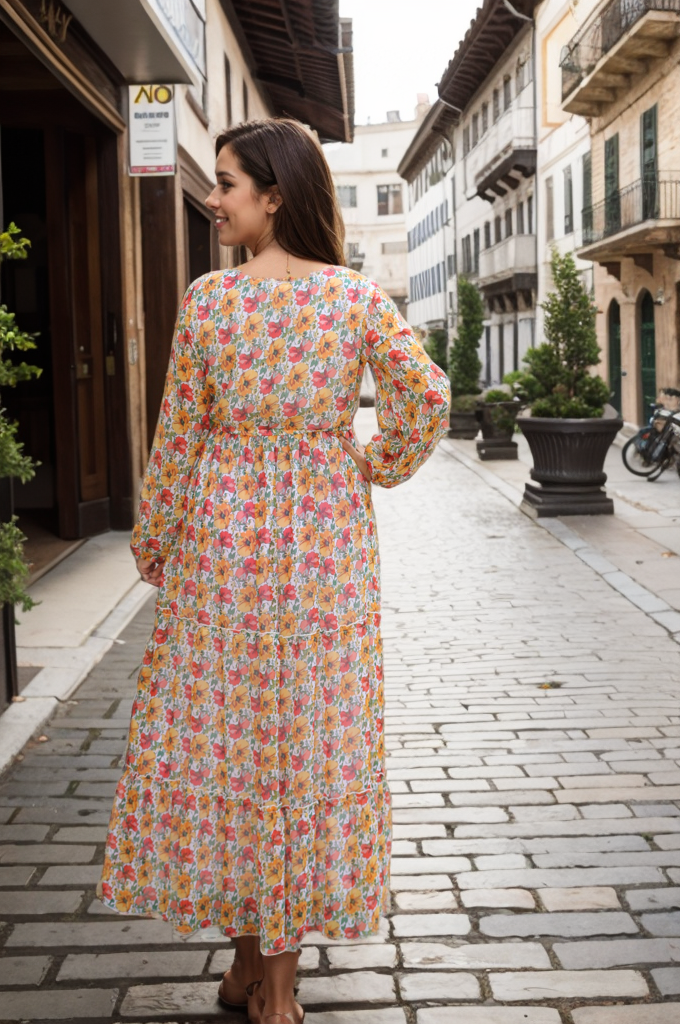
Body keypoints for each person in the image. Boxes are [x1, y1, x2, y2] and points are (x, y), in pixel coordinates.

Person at [99, 118, 450, 1024]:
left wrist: (157, 539)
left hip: (224, 539)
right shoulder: (353, 299)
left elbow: (179, 435)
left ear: (274, 193)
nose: (211, 199)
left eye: (224, 184)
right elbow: (428, 396)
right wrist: (370, 462)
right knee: (307, 746)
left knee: (233, 745)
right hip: (326, 545)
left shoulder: (210, 302)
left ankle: (254, 971)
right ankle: (271, 988)